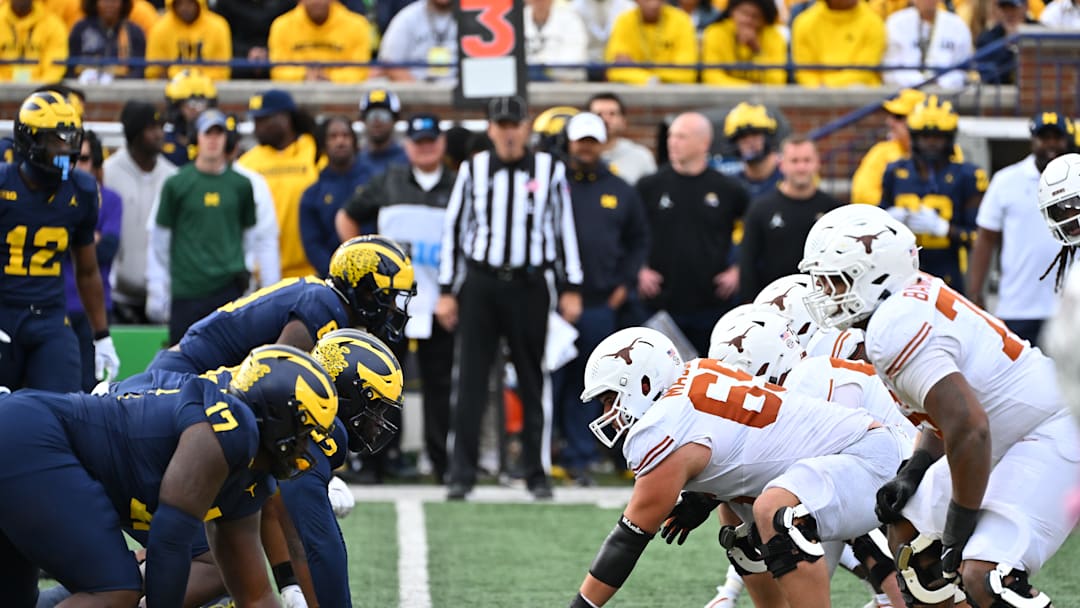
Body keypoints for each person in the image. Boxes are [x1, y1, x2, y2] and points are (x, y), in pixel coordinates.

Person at [799, 204, 1079, 608]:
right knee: (909, 538)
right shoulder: (906, 303)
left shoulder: (893, 328)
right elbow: (948, 412)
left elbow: (969, 427)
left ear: (874, 275)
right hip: (1003, 430)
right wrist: (915, 468)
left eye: (835, 281)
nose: (826, 293)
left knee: (987, 575)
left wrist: (958, 526)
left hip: (1048, 428)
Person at [568, 327, 904, 607]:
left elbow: (628, 540)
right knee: (736, 520)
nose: (609, 413)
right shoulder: (696, 373)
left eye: (610, 399)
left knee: (776, 512)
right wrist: (705, 497)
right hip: (848, 455)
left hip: (865, 460)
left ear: (645, 384)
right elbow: (745, 447)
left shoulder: (662, 428)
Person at [0, 344, 338, 607]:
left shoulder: (250, 476)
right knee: (114, 590)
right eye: (304, 431)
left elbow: (255, 596)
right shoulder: (227, 429)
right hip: (30, 438)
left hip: (24, 438)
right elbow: (169, 540)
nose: (307, 447)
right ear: (276, 415)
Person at [436, 95, 584, 501]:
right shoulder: (474, 169)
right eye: (500, 125)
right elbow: (455, 230)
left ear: (526, 127)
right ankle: (461, 473)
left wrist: (571, 286)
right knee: (470, 379)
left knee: (534, 379)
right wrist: (447, 290)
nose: (508, 133)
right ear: (490, 129)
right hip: (481, 284)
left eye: (514, 125)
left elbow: (564, 230)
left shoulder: (550, 169)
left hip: (530, 284)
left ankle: (536, 472)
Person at [337, 112, 457, 483]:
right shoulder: (388, 180)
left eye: (431, 141)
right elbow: (346, 216)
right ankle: (378, 460)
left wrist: (454, 293)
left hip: (440, 301)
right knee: (383, 381)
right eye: (419, 142)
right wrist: (361, 265)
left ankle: (441, 463)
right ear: (408, 147)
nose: (425, 148)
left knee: (439, 385)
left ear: (441, 144)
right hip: (392, 303)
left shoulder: (458, 184)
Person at [147, 235, 415, 375]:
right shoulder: (323, 307)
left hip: (192, 372)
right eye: (388, 295)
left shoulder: (325, 299)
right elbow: (273, 376)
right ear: (363, 289)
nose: (393, 307)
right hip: (185, 374)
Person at [0, 91, 119, 393]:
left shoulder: (81, 190)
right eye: (55, 140)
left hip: (49, 317)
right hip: (3, 312)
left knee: (65, 405)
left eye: (70, 139)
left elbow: (87, 270)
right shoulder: (3, 184)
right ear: (29, 140)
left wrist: (102, 335)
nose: (65, 149)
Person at [555, 111, 649, 485]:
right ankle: (554, 451)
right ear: (569, 142)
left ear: (601, 144)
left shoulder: (621, 189)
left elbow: (639, 240)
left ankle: (585, 456)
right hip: (555, 304)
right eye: (581, 141)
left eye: (592, 142)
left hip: (601, 302)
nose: (585, 148)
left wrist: (624, 285)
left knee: (595, 384)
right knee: (554, 381)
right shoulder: (554, 185)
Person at [636, 112, 749, 356]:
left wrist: (738, 268)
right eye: (671, 136)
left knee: (709, 371)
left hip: (712, 303)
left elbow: (753, 230)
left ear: (704, 143)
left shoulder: (728, 189)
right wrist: (639, 268)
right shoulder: (649, 186)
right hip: (661, 303)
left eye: (681, 137)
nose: (672, 142)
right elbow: (629, 232)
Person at [147, 109, 259, 346]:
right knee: (183, 357)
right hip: (187, 289)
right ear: (196, 138)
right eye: (208, 133)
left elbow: (249, 235)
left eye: (219, 134)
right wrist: (162, 284)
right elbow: (160, 238)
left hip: (228, 288)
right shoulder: (177, 183)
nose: (213, 140)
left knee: (230, 358)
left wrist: (245, 269)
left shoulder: (241, 185)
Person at [967, 112, 1074, 345]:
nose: (1051, 144)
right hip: (1018, 306)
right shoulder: (1006, 180)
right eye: (1044, 137)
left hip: (1070, 306)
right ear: (1032, 141)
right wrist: (975, 293)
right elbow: (986, 238)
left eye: (1057, 137)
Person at [881, 95, 987, 295]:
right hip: (902, 277)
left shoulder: (968, 176)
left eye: (938, 137)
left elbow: (979, 237)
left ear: (949, 138)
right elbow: (876, 228)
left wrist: (945, 229)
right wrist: (887, 220)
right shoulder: (895, 172)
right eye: (925, 137)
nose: (931, 143)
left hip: (948, 276)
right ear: (914, 137)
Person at [738, 136, 842, 302]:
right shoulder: (761, 208)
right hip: (773, 303)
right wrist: (751, 305)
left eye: (807, 160)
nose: (801, 167)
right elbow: (747, 263)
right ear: (781, 164)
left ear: (817, 163)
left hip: (821, 303)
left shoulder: (833, 210)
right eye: (794, 161)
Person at [105, 100, 178, 323]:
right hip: (118, 298)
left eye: (161, 127)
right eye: (151, 128)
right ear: (134, 133)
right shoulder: (108, 173)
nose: (159, 134)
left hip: (163, 299)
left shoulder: (173, 177)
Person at [238, 89, 322, 279]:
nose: (257, 127)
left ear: (285, 118)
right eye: (255, 121)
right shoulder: (247, 163)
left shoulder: (313, 149)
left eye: (264, 120)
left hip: (311, 270)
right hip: (264, 273)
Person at [63, 130, 123, 392]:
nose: (77, 165)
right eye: (72, 158)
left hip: (93, 308)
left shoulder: (111, 199)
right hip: (56, 307)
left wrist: (73, 242)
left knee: (91, 391)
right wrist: (88, 240)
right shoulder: (53, 197)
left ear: (96, 164)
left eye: (84, 158)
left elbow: (107, 249)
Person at [300, 115, 371, 276]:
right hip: (331, 277)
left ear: (354, 141)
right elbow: (312, 245)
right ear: (324, 143)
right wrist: (338, 274)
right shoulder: (312, 194)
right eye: (333, 136)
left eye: (345, 135)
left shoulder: (374, 184)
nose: (340, 141)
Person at [850, 88, 927, 206]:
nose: (890, 122)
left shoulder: (946, 153)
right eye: (891, 116)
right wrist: (897, 208)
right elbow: (861, 195)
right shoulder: (881, 152)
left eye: (898, 117)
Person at [267, 0, 372, 83]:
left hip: (344, 98)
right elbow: (277, 71)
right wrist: (305, 76)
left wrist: (329, 78)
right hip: (295, 97)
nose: (316, 1)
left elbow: (360, 72)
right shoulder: (281, 26)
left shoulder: (358, 25)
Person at [882, 0, 974, 90]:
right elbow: (890, 69)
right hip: (903, 93)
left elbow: (962, 69)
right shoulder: (896, 23)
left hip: (946, 93)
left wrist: (941, 83)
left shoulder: (957, 25)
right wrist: (919, 83)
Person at [605, 0, 698, 84]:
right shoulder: (624, 21)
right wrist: (651, 79)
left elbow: (687, 73)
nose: (654, 4)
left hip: (673, 92)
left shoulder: (681, 21)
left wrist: (639, 70)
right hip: (633, 92)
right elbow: (614, 71)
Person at [145, 0, 232, 80]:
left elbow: (223, 71)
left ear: (199, 3)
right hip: (168, 88)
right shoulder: (159, 29)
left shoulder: (218, 27)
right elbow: (153, 73)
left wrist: (197, 78)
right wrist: (176, 77)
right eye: (180, 3)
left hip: (212, 88)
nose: (185, 8)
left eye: (190, 3)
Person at [377, 0, 457, 82]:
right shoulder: (408, 17)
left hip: (459, 86)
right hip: (415, 85)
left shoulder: (465, 16)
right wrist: (417, 88)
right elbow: (389, 63)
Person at [587, 92, 657, 185]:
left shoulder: (641, 157)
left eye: (612, 114)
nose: (605, 119)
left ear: (623, 121)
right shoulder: (580, 156)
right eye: (599, 114)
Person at [67, 0, 148, 80]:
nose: (109, 5)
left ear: (123, 3)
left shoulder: (134, 32)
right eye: (105, 1)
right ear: (95, 3)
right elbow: (70, 67)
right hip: (84, 84)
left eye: (114, 1)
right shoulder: (81, 29)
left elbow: (139, 70)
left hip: (122, 85)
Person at [721, 102, 783, 200]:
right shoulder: (731, 185)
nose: (750, 142)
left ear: (768, 138)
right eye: (742, 137)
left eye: (755, 135)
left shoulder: (788, 179)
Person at [161, 68, 218, 167]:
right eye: (192, 103)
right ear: (177, 106)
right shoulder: (163, 138)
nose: (197, 109)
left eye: (202, 102)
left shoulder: (217, 139)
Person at [0, 0, 68, 83]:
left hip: (42, 87)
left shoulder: (53, 25)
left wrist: (41, 87)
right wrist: (4, 86)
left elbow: (55, 65)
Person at [357, 89, 409, 180]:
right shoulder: (354, 160)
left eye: (384, 115)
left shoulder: (409, 159)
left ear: (395, 119)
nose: (377, 121)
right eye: (371, 115)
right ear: (363, 120)